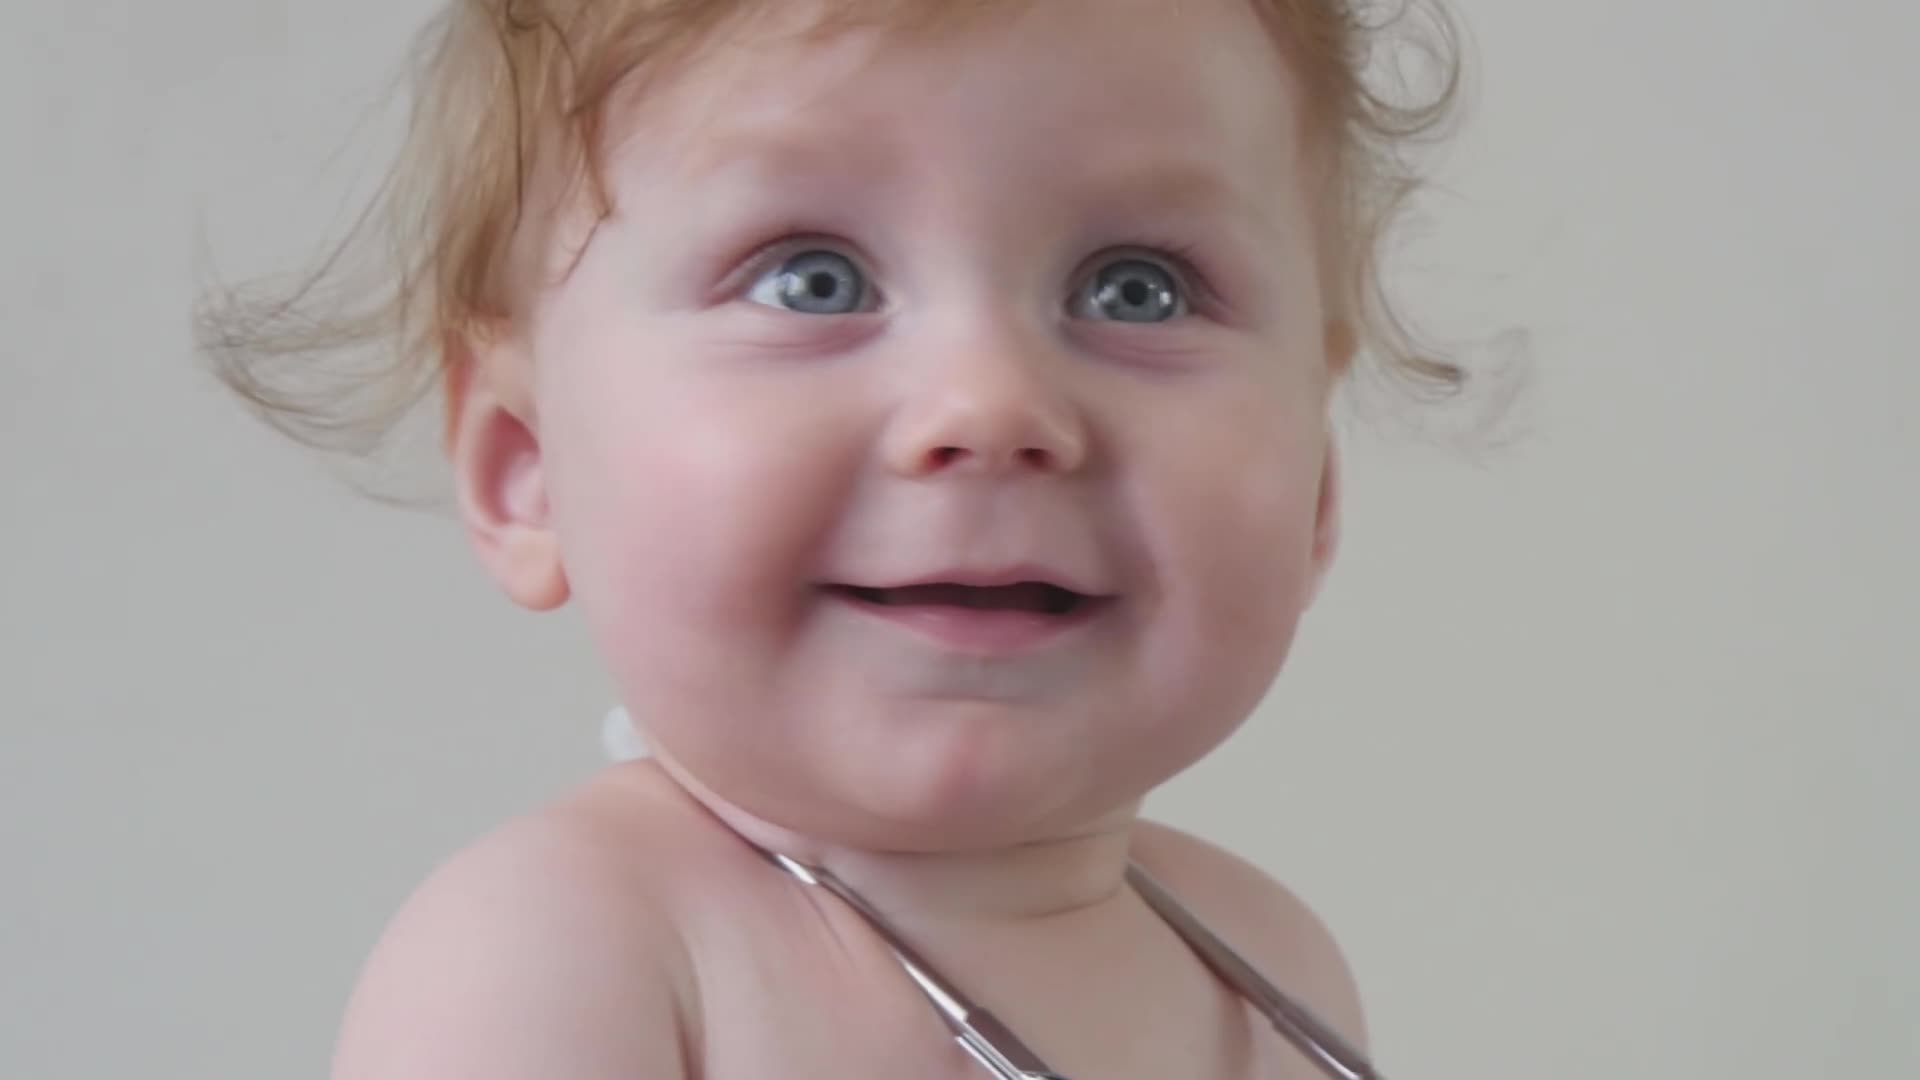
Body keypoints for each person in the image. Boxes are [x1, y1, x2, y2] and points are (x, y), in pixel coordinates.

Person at [199, 1, 1466, 1075]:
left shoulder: (1268, 965)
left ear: (1316, 485)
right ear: (525, 467)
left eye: (1138, 287)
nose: (990, 406)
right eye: (812, 278)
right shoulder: (565, 954)